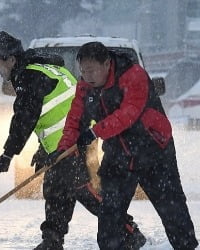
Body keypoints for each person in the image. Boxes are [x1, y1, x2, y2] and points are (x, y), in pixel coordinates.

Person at [0, 31, 146, 250]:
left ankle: (129, 232)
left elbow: (24, 119)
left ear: (10, 59)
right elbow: (53, 111)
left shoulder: (28, 77)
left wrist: (7, 154)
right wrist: (43, 149)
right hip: (67, 141)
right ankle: (52, 240)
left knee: (86, 191)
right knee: (56, 190)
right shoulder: (43, 67)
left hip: (74, 142)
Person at [50, 41, 199, 249]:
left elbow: (127, 114)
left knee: (172, 211)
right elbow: (74, 120)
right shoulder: (85, 86)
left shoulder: (133, 75)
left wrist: (94, 132)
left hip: (153, 150)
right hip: (118, 155)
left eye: (91, 70)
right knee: (109, 217)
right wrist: (62, 149)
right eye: (83, 71)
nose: (87, 76)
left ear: (107, 64)